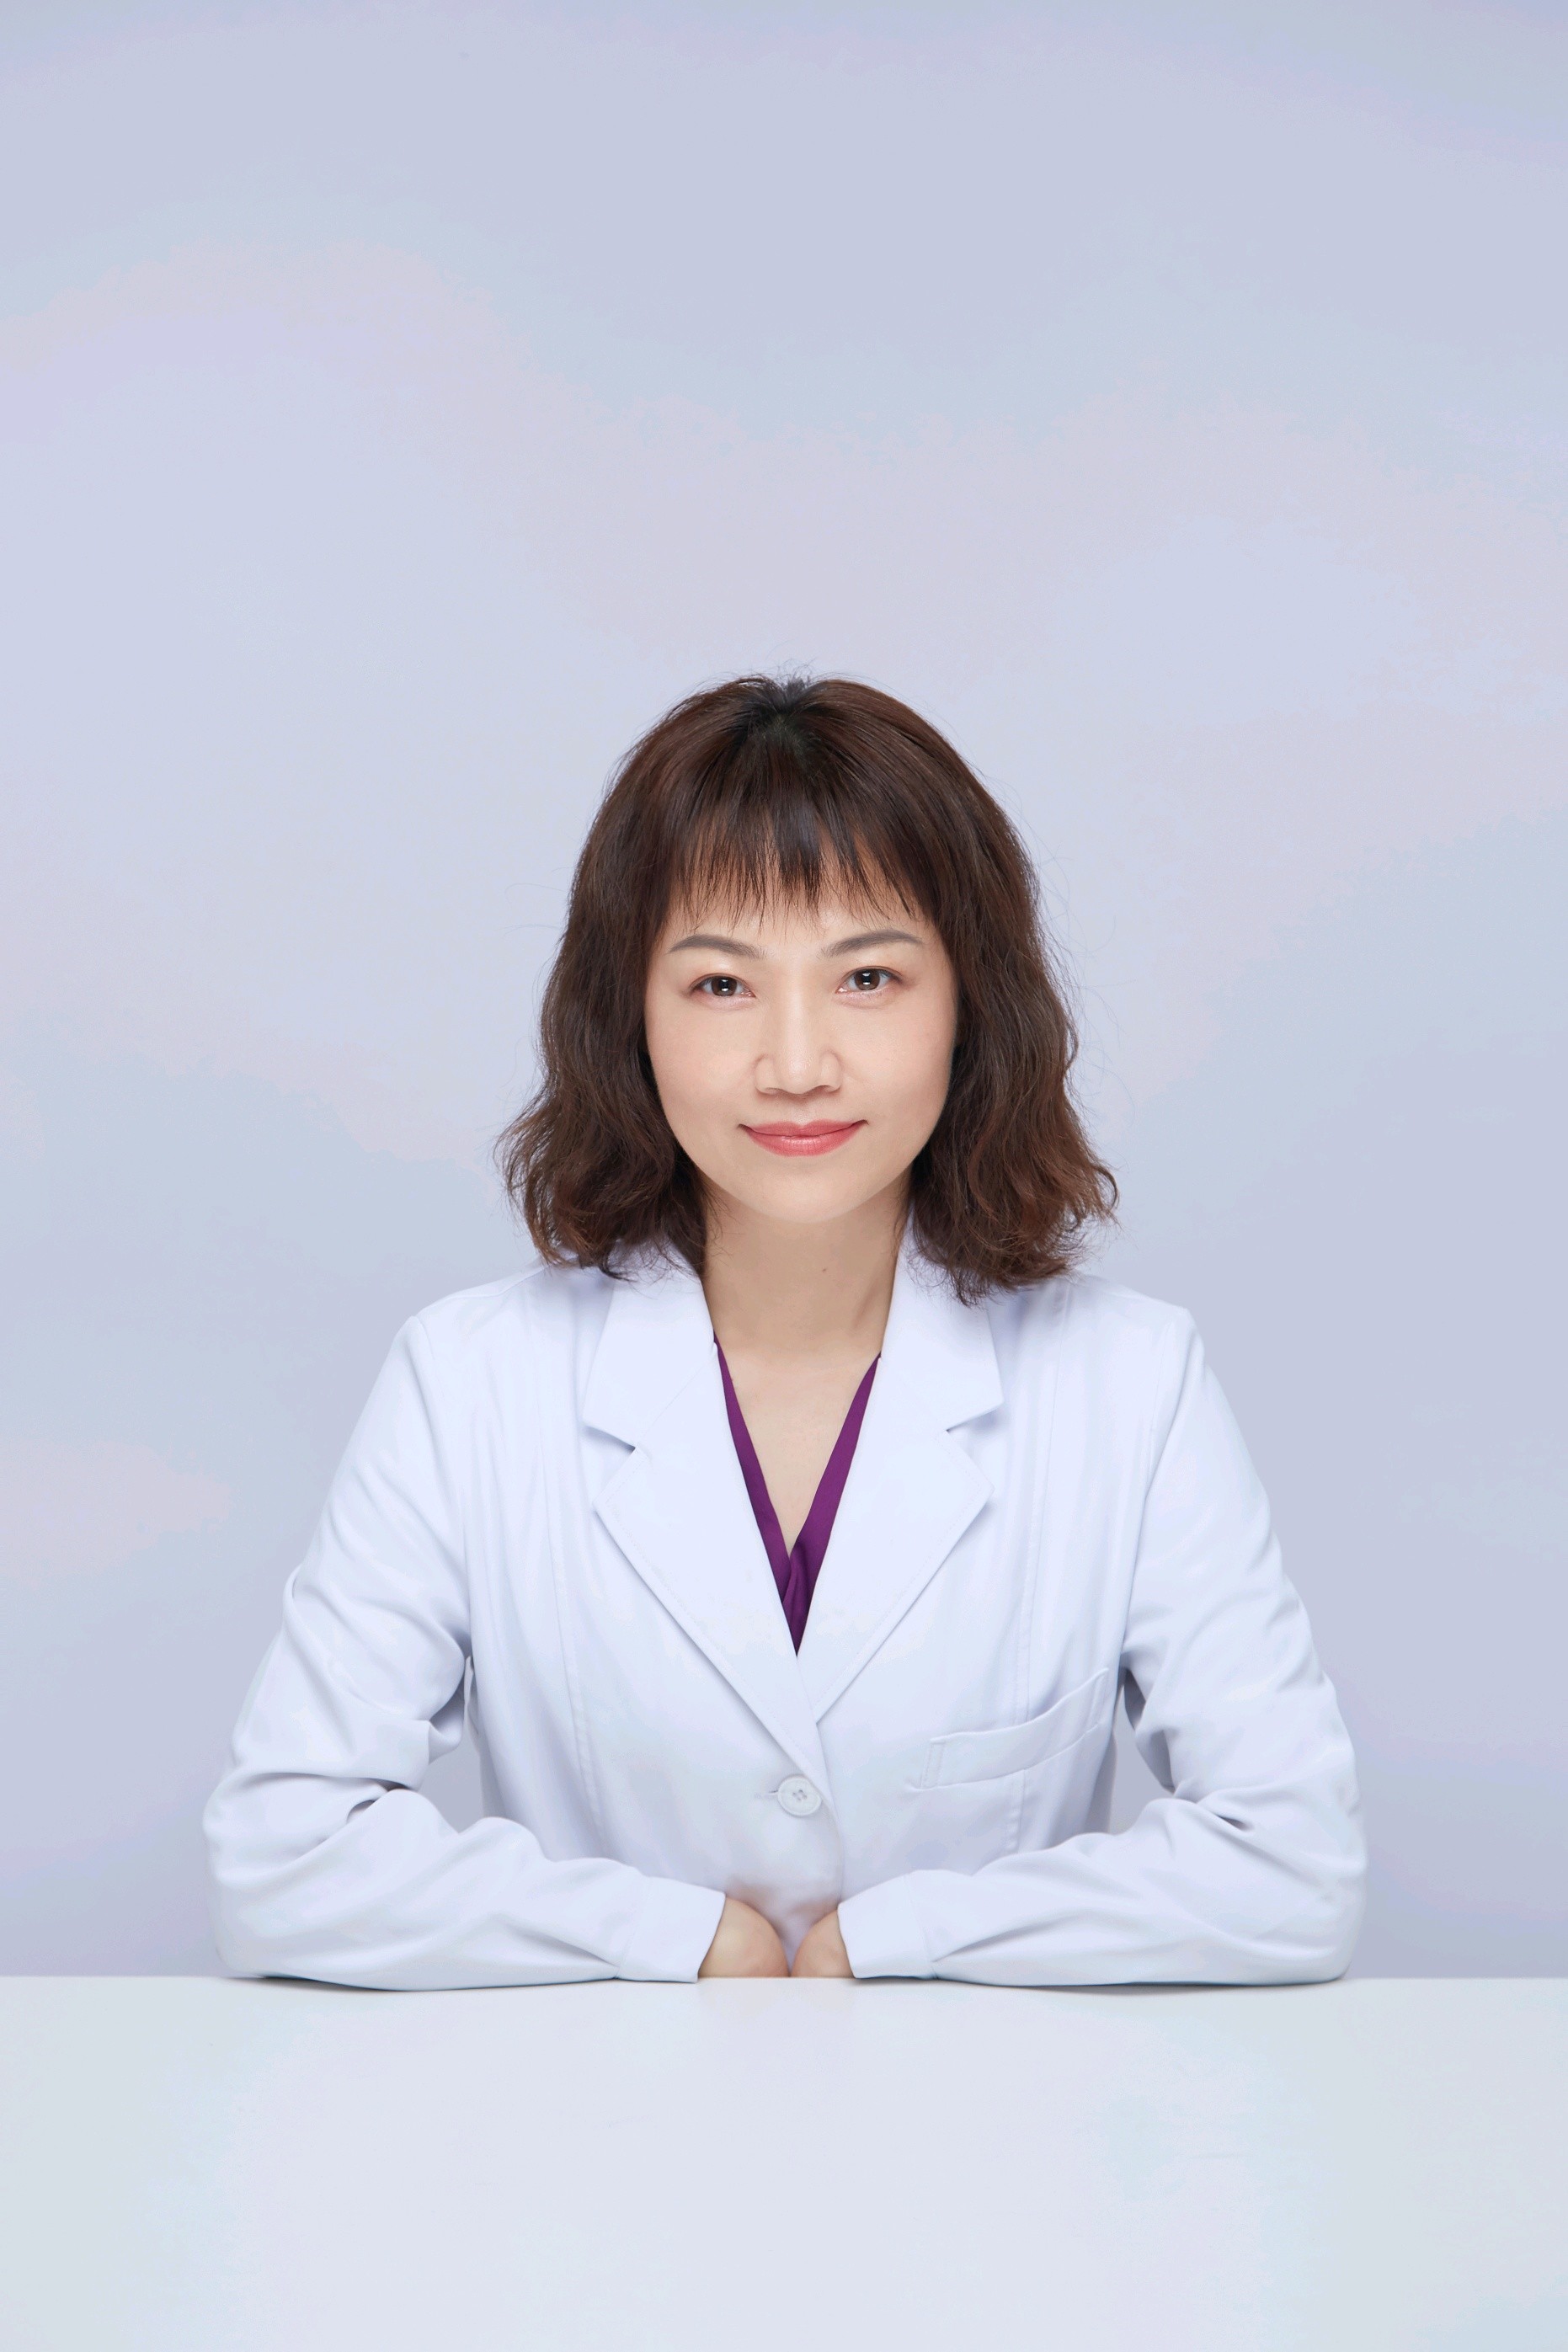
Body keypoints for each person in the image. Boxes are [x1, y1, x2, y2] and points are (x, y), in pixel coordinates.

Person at [204, 675, 1365, 1987]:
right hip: (590, 2108)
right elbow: (283, 1855)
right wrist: (681, 1938)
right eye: (720, 984)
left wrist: (895, 1939)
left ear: (969, 1003)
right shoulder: (470, 1380)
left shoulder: (1129, 1384)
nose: (797, 1063)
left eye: (867, 976)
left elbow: (1291, 1865)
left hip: (998, 2110)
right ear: (628, 1014)